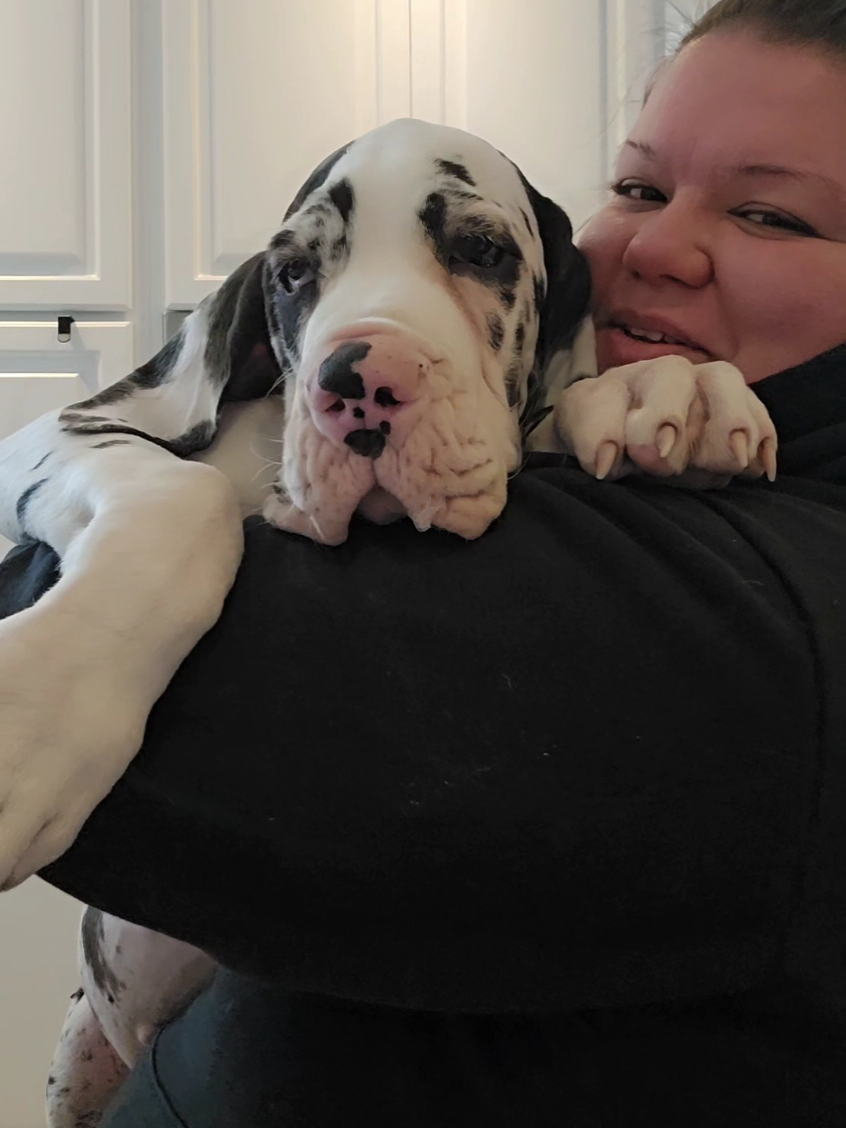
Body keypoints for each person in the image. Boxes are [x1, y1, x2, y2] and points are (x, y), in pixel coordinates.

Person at [5, 0, 846, 1123]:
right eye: (639, 188)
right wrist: (159, 514)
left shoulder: (774, 614)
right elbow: (53, 449)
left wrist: (108, 587)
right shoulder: (619, 422)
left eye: (769, 213)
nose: (652, 245)